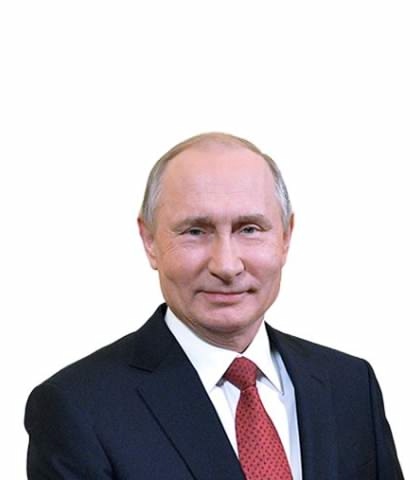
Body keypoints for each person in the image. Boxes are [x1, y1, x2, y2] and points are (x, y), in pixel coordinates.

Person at [25, 132, 404, 479]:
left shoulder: (350, 385)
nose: (226, 265)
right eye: (195, 231)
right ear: (149, 241)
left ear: (286, 237)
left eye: (250, 229)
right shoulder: (77, 409)